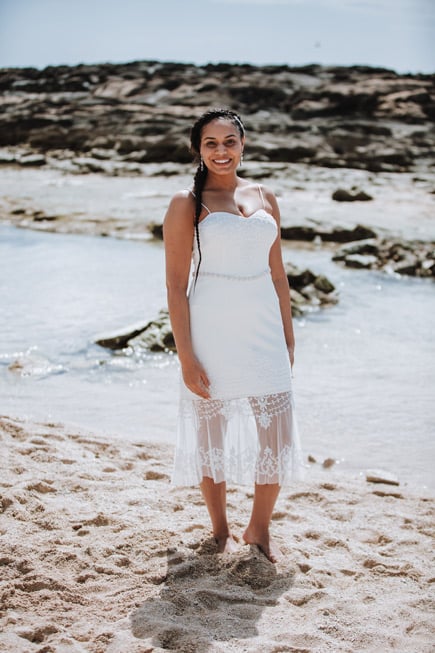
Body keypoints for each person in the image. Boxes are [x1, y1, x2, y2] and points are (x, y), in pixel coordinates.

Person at [163, 108, 304, 563]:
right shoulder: (186, 202)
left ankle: (258, 527)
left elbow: (278, 275)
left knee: (276, 434)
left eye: (229, 141)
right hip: (212, 329)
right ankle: (220, 529)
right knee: (212, 436)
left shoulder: (265, 195)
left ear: (243, 145)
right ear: (197, 150)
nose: (221, 151)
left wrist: (289, 336)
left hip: (263, 327)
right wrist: (186, 356)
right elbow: (175, 285)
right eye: (211, 143)